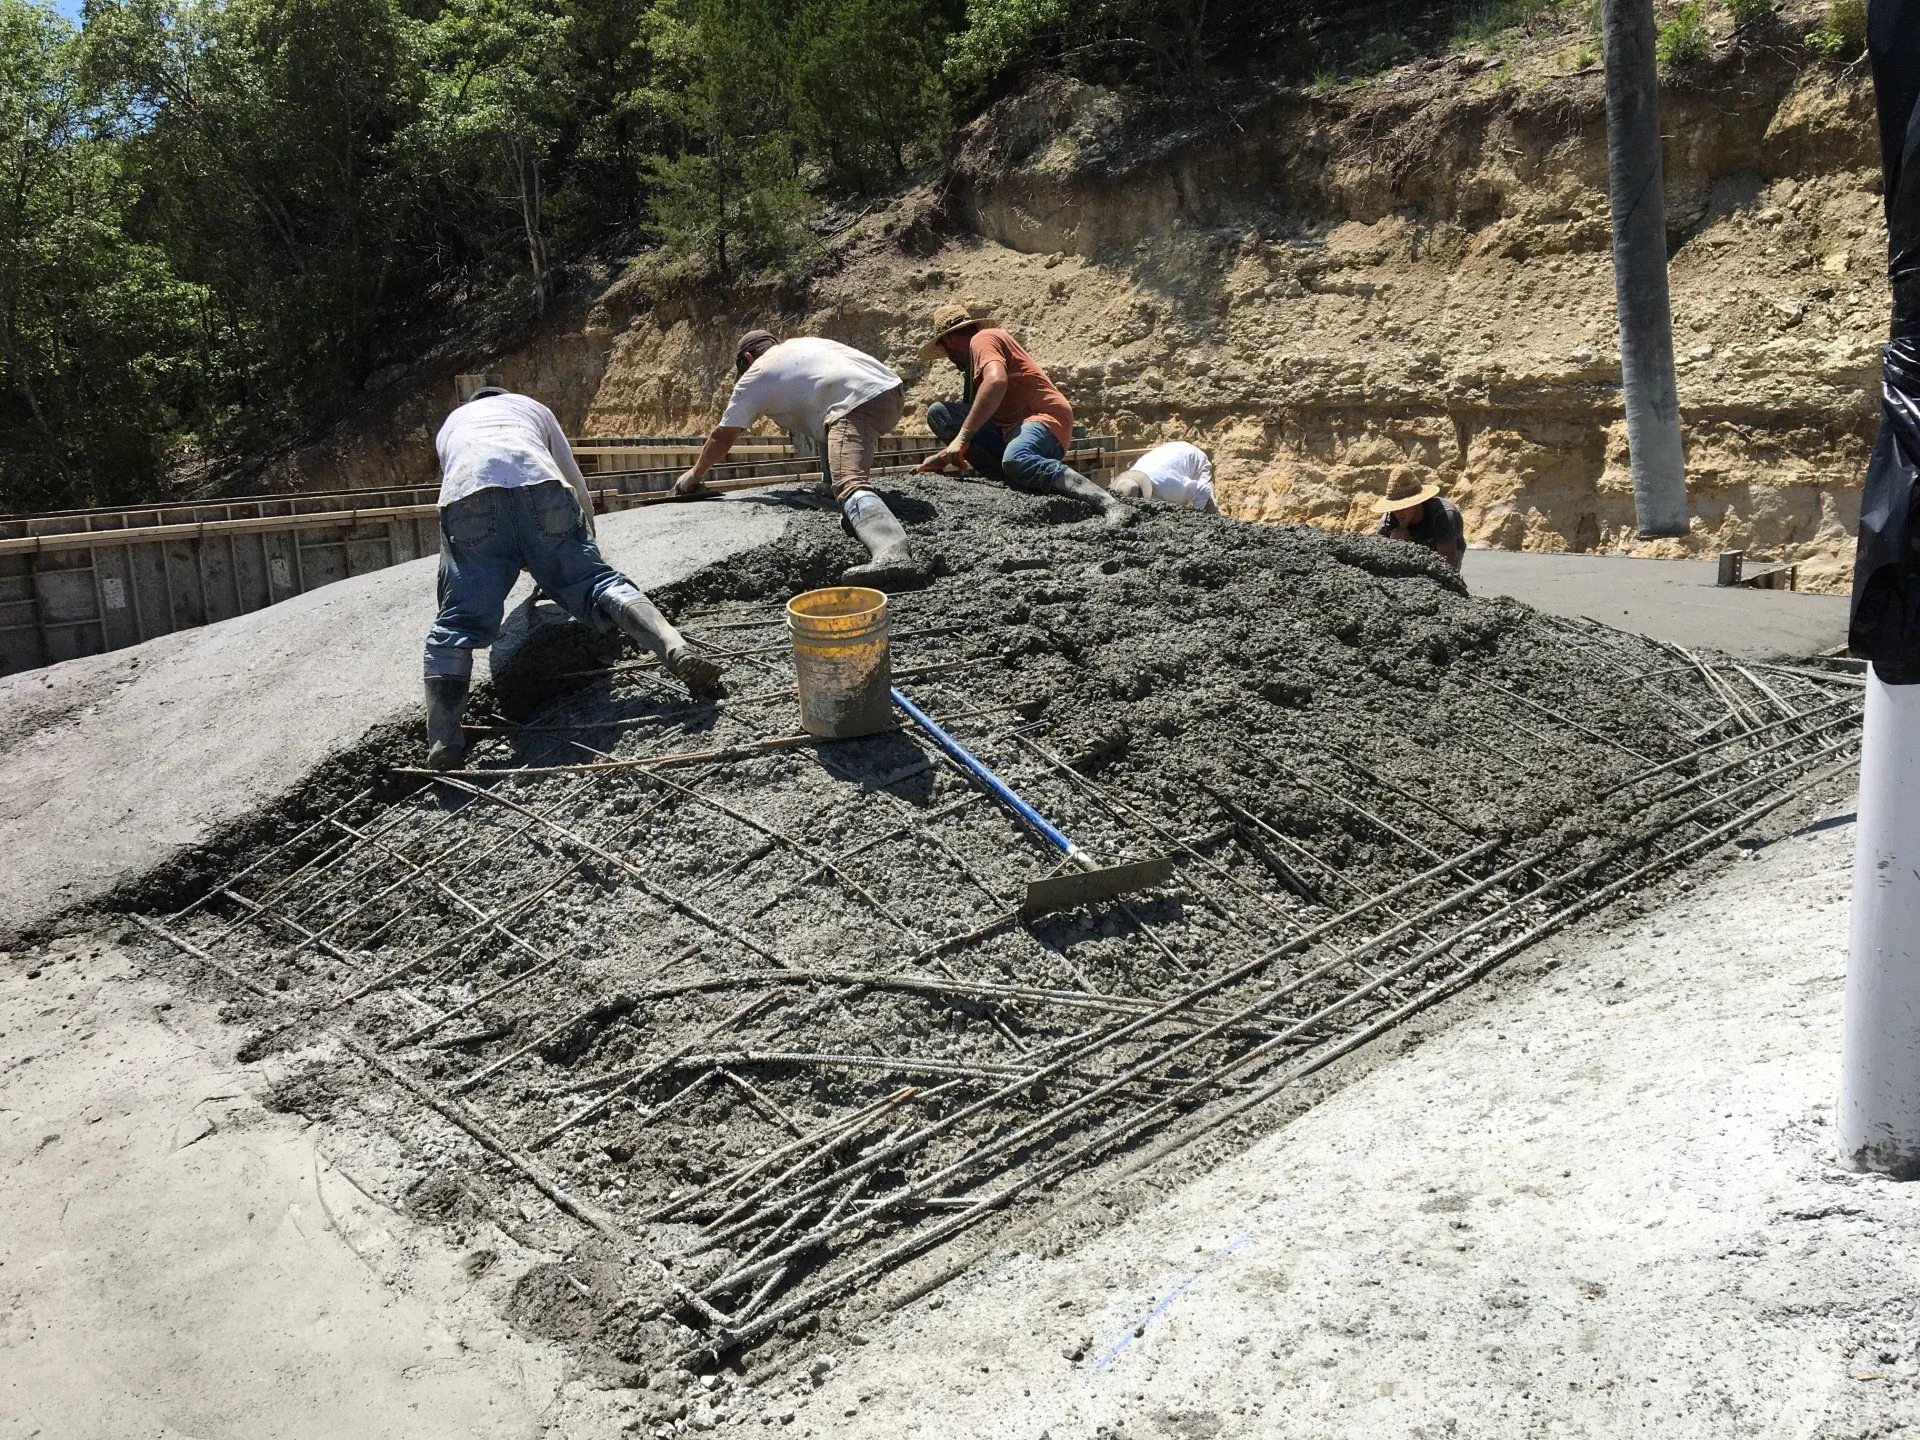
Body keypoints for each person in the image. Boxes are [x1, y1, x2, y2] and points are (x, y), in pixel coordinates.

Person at [422, 385, 722, 771]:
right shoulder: (532, 407)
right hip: (542, 487)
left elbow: (458, 488)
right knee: (599, 584)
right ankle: (674, 647)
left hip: (469, 497)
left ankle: (445, 740)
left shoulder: (452, 423)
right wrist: (584, 545)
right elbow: (571, 476)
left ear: (474, 403)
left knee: (456, 621)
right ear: (505, 397)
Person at [673, 330, 922, 587]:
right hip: (891, 391)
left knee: (850, 483)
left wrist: (694, 476)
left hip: (858, 401)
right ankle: (829, 485)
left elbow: (722, 437)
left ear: (747, 358)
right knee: (825, 416)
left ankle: (892, 553)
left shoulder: (756, 374)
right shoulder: (801, 346)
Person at [916, 304, 1130, 527]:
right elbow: (975, 423)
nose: (950, 359)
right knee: (940, 414)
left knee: (1018, 458)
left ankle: (1108, 503)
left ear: (948, 341)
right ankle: (1014, 480)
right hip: (1009, 430)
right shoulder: (973, 370)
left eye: (946, 352)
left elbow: (996, 381)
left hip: (1043, 418)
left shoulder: (982, 339)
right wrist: (942, 457)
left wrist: (961, 438)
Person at [1371, 470, 1465, 571]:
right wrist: (1395, 546)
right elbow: (1380, 564)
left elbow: (1447, 566)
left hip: (1444, 547)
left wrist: (1413, 550)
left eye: (1404, 506)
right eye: (1395, 507)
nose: (1398, 511)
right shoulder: (1387, 524)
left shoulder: (1444, 515)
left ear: (1417, 503)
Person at [1109, 440, 1218, 513]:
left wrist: (1198, 518)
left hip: (1194, 460)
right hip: (1170, 454)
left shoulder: (1166, 486)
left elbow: (1202, 491)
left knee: (1208, 511)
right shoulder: (1129, 481)